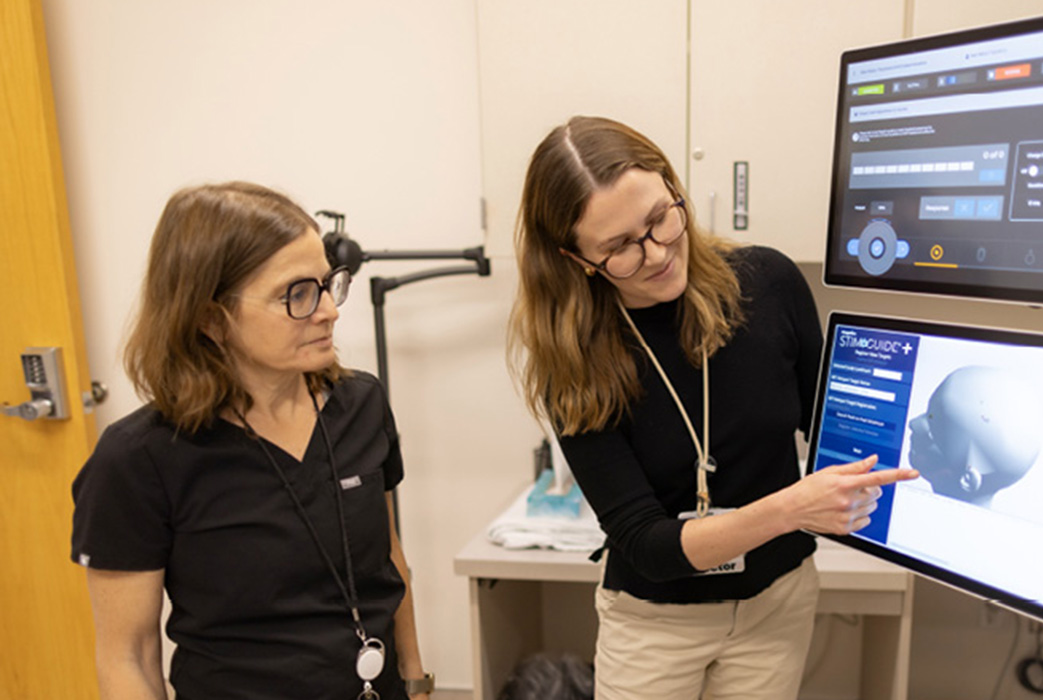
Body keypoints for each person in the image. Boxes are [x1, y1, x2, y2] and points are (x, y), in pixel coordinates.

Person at [508, 116, 920, 700]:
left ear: (674, 187)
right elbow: (648, 546)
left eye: (659, 219)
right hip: (654, 621)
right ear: (577, 259)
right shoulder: (573, 359)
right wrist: (790, 508)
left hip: (776, 604)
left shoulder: (768, 284)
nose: (654, 254)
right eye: (620, 247)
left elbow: (839, 432)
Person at [70, 182, 434, 700]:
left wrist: (417, 680)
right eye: (298, 294)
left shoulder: (360, 404)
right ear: (211, 319)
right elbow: (128, 658)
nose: (329, 309)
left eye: (328, 283)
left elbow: (389, 560)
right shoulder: (138, 459)